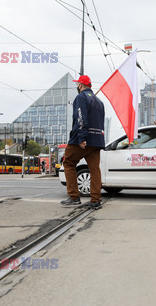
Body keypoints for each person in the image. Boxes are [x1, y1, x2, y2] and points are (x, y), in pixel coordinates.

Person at [61, 75, 105, 209]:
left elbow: (80, 117)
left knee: (68, 162)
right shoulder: (99, 101)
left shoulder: (81, 97)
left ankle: (74, 197)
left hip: (82, 139)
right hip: (96, 140)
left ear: (80, 85)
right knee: (95, 169)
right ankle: (95, 199)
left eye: (77, 85)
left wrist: (81, 137)